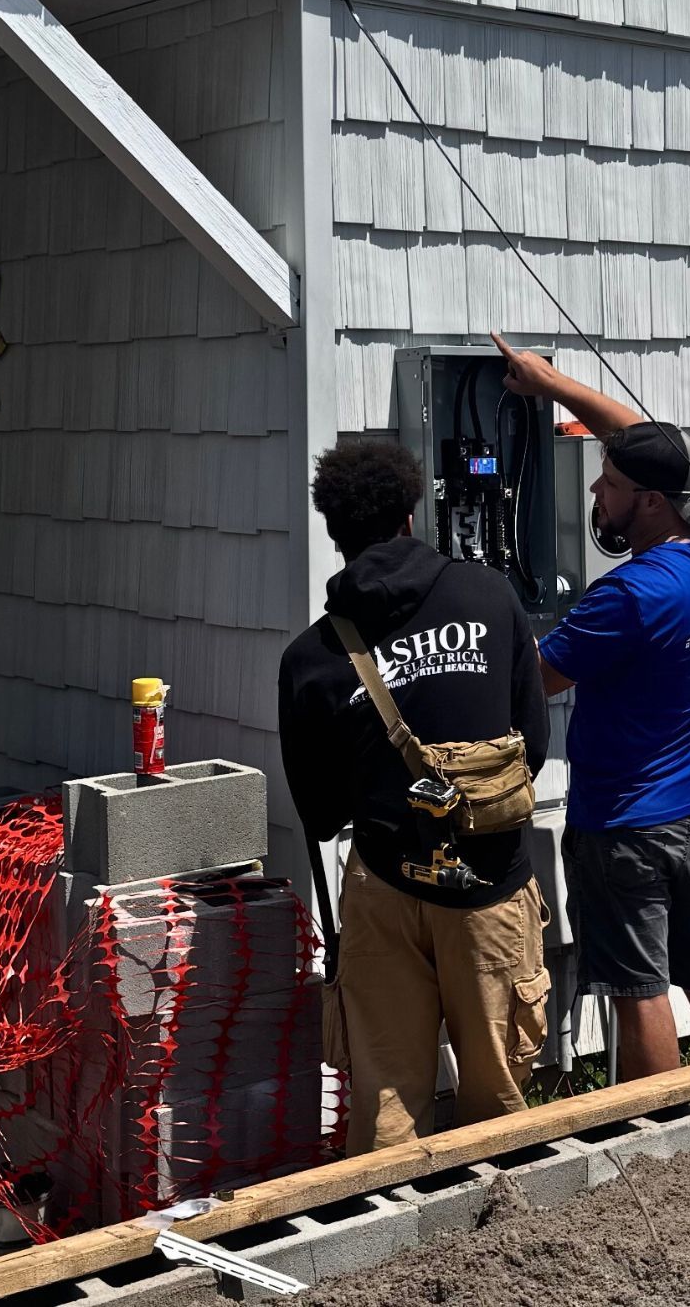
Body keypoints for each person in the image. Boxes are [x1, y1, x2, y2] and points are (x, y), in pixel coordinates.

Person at [491, 333, 690, 1080]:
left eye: (605, 483)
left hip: (626, 829)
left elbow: (532, 680)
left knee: (641, 994)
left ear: (646, 500)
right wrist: (551, 384)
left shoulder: (631, 597)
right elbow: (638, 438)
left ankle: (656, 1137)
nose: (592, 492)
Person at [277, 439, 550, 1154]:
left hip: (386, 889)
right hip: (489, 888)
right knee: (498, 1103)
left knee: (386, 1114)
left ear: (333, 532)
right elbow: (536, 748)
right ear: (410, 514)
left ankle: (390, 1252)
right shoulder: (492, 597)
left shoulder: (312, 659)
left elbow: (320, 810)